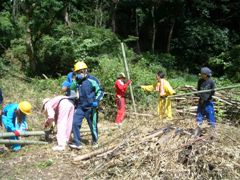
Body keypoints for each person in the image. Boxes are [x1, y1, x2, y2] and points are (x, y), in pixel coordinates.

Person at [69, 61, 104, 149]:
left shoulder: (92, 80)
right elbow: (71, 90)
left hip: (91, 106)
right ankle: (77, 143)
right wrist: (73, 83)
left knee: (93, 125)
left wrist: (96, 100)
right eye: (78, 72)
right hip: (80, 106)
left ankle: (95, 141)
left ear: (86, 70)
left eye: (81, 71)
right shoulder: (77, 81)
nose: (80, 74)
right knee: (75, 123)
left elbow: (100, 91)